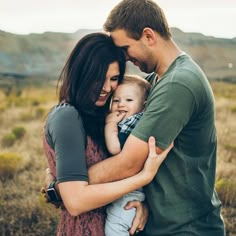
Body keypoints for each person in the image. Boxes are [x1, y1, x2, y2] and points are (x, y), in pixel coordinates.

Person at [87, 1, 226, 235]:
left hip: (186, 229)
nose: (125, 58)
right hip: (162, 223)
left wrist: (66, 184)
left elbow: (128, 164)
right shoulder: (154, 80)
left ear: (148, 36)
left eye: (125, 48)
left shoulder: (178, 83)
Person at [41, 32, 173, 236]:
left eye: (113, 79)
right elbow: (75, 202)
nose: (105, 88)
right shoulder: (66, 116)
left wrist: (138, 205)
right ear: (81, 73)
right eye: (97, 78)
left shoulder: (103, 114)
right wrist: (143, 178)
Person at [104, 75, 150, 235]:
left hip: (128, 195)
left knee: (114, 228)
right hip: (127, 190)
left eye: (129, 100)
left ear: (143, 106)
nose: (121, 104)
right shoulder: (138, 121)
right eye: (116, 100)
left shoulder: (130, 127)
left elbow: (115, 149)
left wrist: (110, 125)